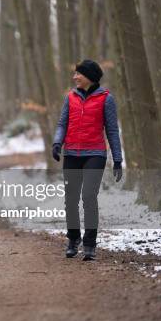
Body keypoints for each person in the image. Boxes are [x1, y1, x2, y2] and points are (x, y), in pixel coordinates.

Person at [52, 59, 123, 261]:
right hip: (72, 154)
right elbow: (62, 124)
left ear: (89, 77)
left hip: (95, 154)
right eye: (75, 74)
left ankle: (90, 243)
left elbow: (112, 131)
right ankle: (73, 239)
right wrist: (57, 143)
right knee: (71, 200)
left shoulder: (106, 99)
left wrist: (117, 159)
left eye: (78, 74)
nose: (74, 77)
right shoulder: (70, 97)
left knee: (89, 197)